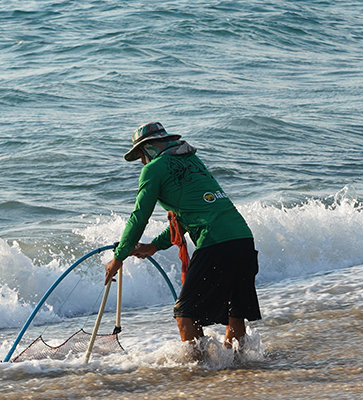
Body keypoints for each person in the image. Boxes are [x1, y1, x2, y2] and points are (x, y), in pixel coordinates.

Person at [104, 122, 260, 353]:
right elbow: (191, 215)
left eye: (140, 155)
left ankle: (198, 374)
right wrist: (154, 246)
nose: (142, 161)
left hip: (215, 243)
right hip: (243, 241)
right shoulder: (194, 161)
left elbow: (139, 216)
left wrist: (119, 256)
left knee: (185, 314)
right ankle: (239, 371)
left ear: (148, 148)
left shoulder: (154, 169)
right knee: (234, 314)